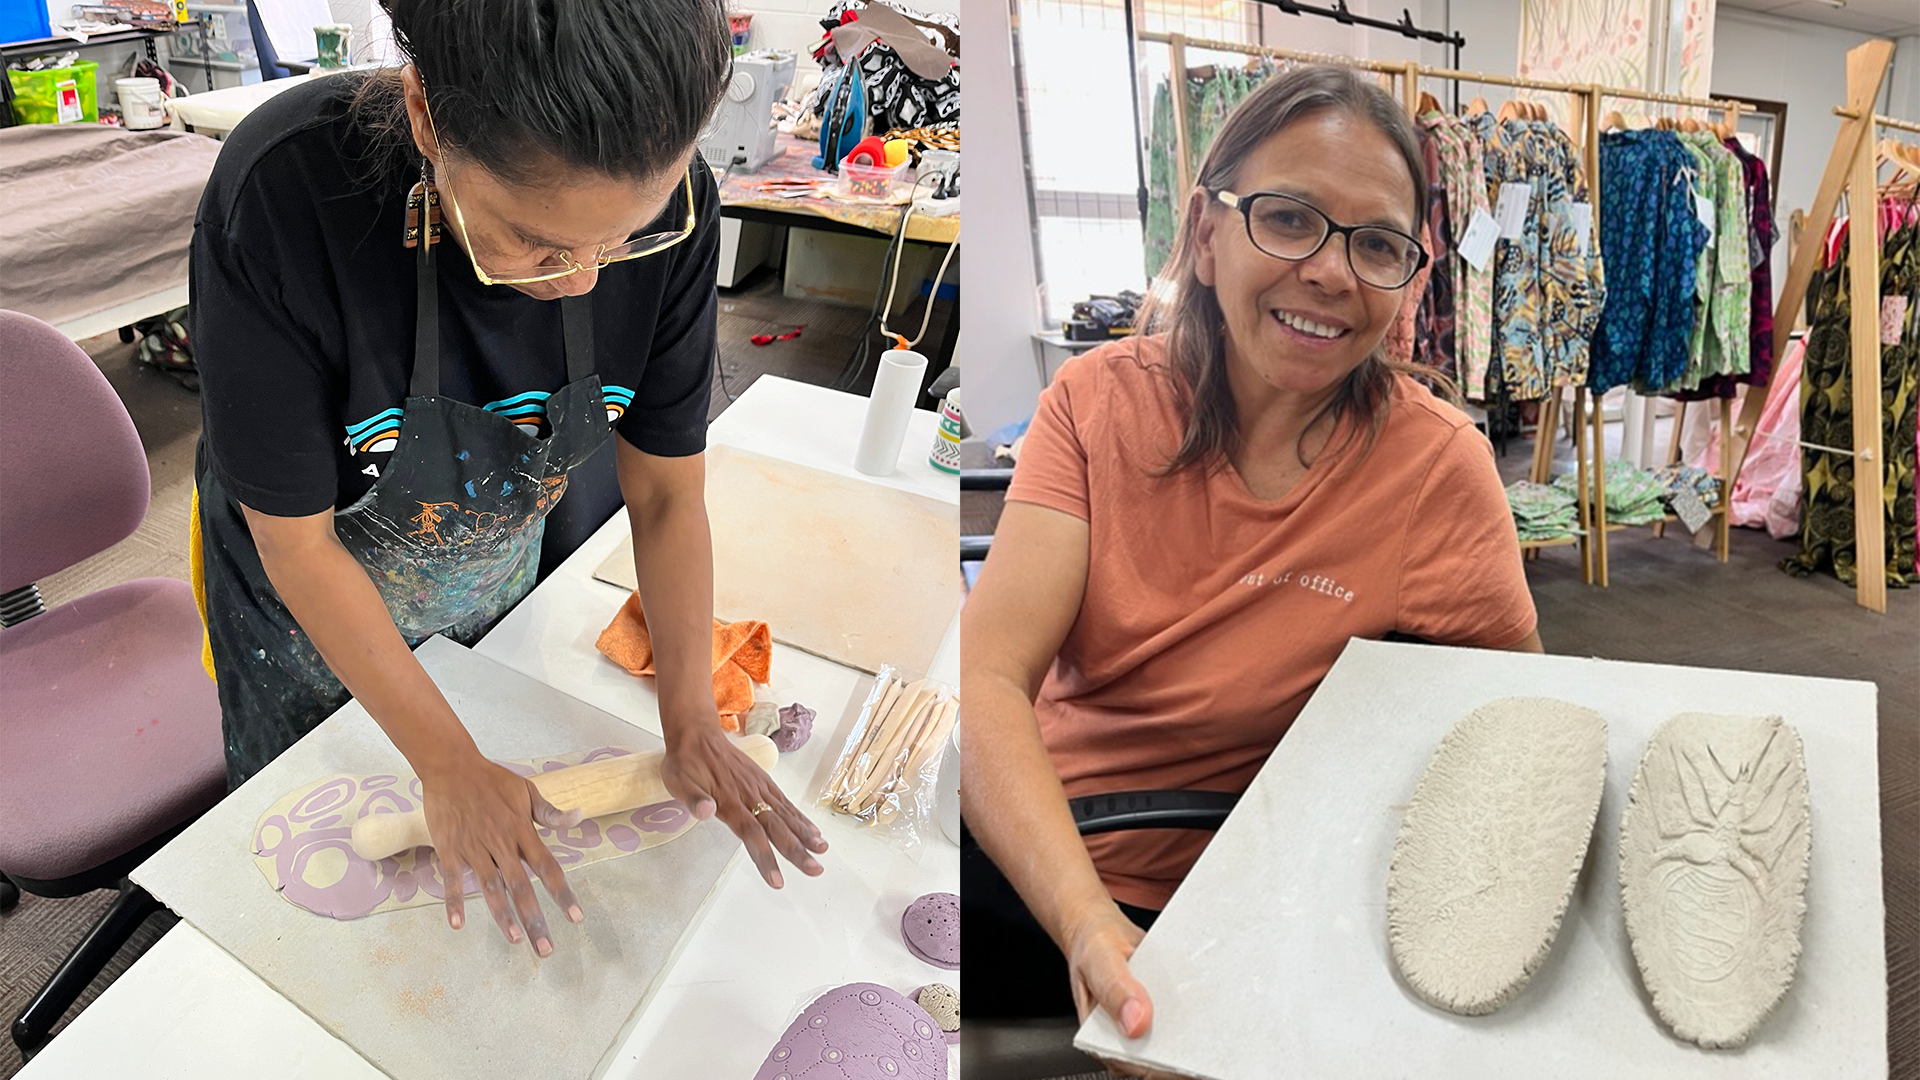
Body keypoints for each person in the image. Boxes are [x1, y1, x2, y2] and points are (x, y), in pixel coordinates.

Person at [188, 0, 825, 959]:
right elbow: (296, 544)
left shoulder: (675, 204)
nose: (582, 282)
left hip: (484, 582)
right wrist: (445, 762)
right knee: (306, 926)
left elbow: (662, 492)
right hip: (303, 612)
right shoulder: (283, 197)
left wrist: (690, 716)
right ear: (426, 119)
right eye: (535, 240)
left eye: (623, 241)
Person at [961, 65, 1542, 1048]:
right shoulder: (1096, 404)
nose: (1329, 270)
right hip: (1050, 856)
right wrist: (1083, 918)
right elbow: (986, 675)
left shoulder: (1439, 471)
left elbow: (1520, 743)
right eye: (1287, 218)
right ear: (1204, 232)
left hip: (1276, 896)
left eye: (1376, 245)